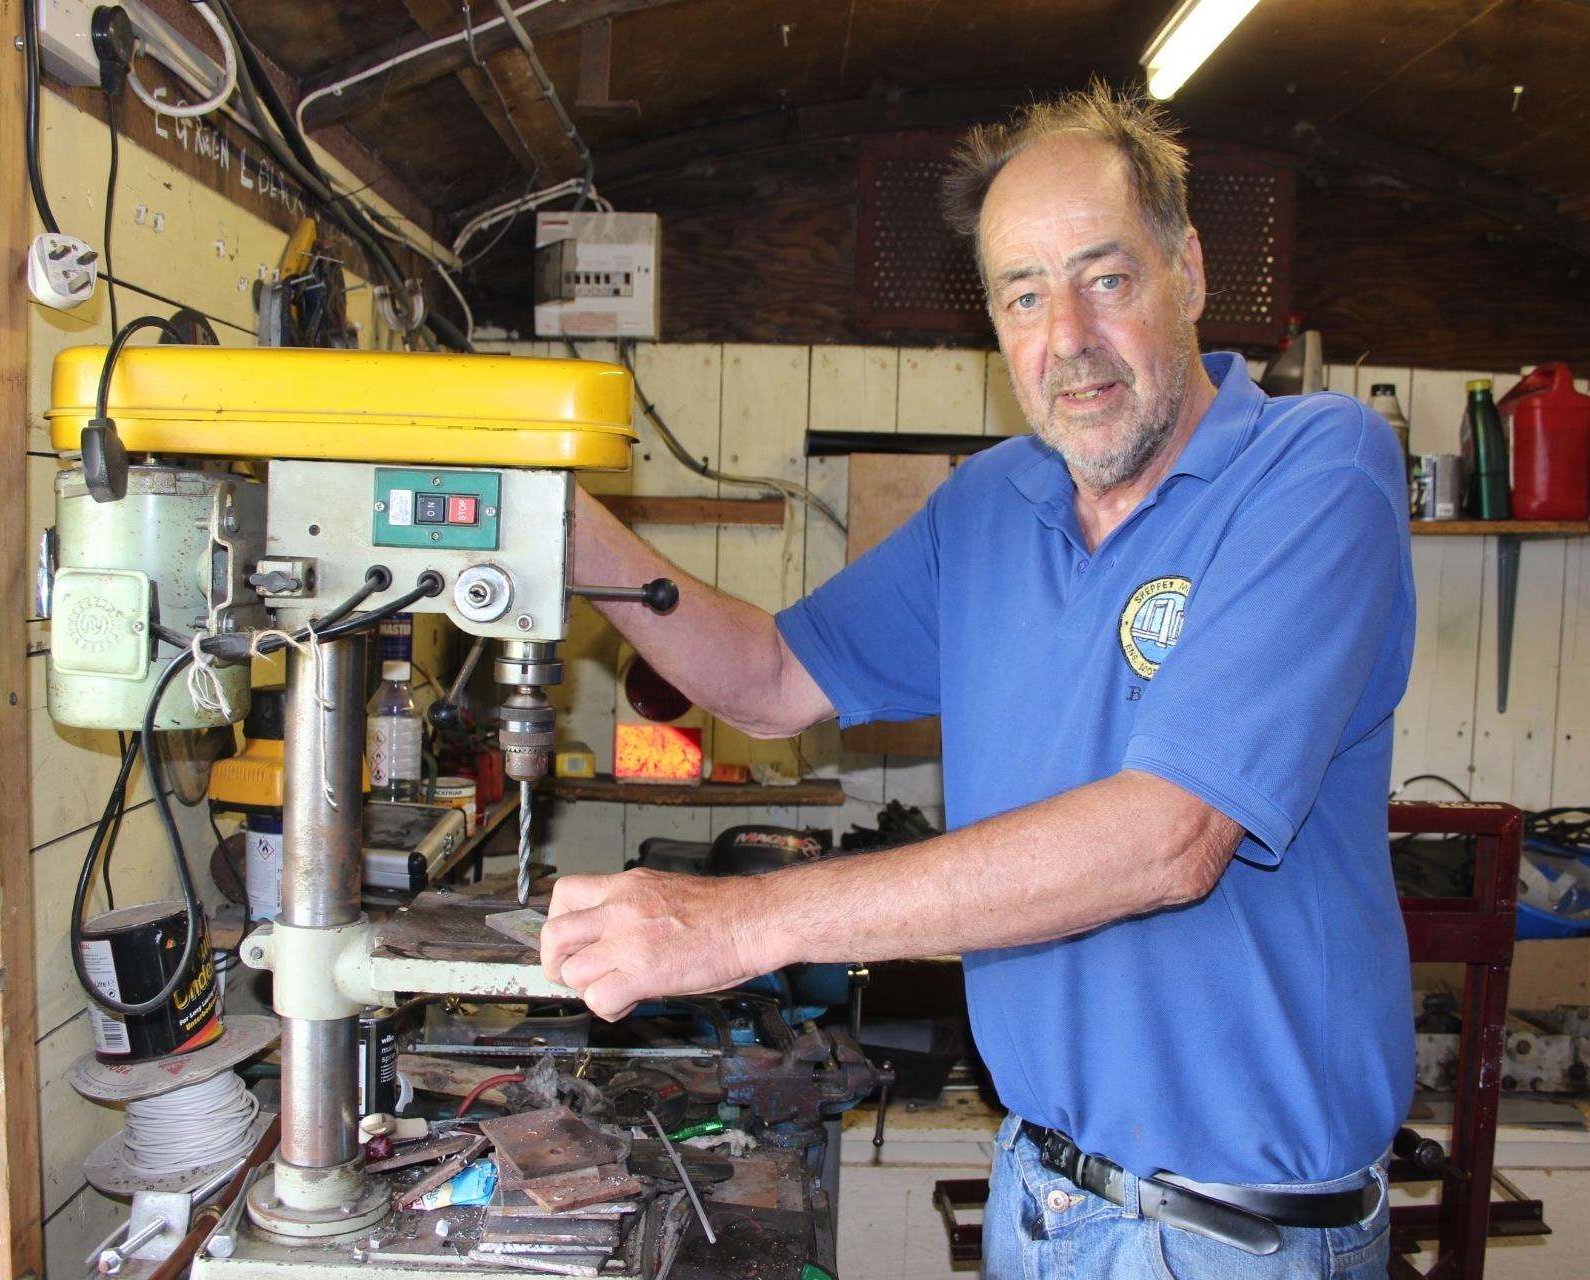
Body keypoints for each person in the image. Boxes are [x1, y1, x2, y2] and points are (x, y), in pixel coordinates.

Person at [542, 83, 1413, 1279]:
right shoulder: (991, 506)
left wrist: (735, 923)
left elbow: (1169, 838)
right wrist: (561, 528)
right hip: (1038, 1192)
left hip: (1233, 1234)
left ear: (1188, 271)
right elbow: (767, 679)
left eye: (1103, 278)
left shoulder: (1314, 470)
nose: (1065, 337)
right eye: (1021, 295)